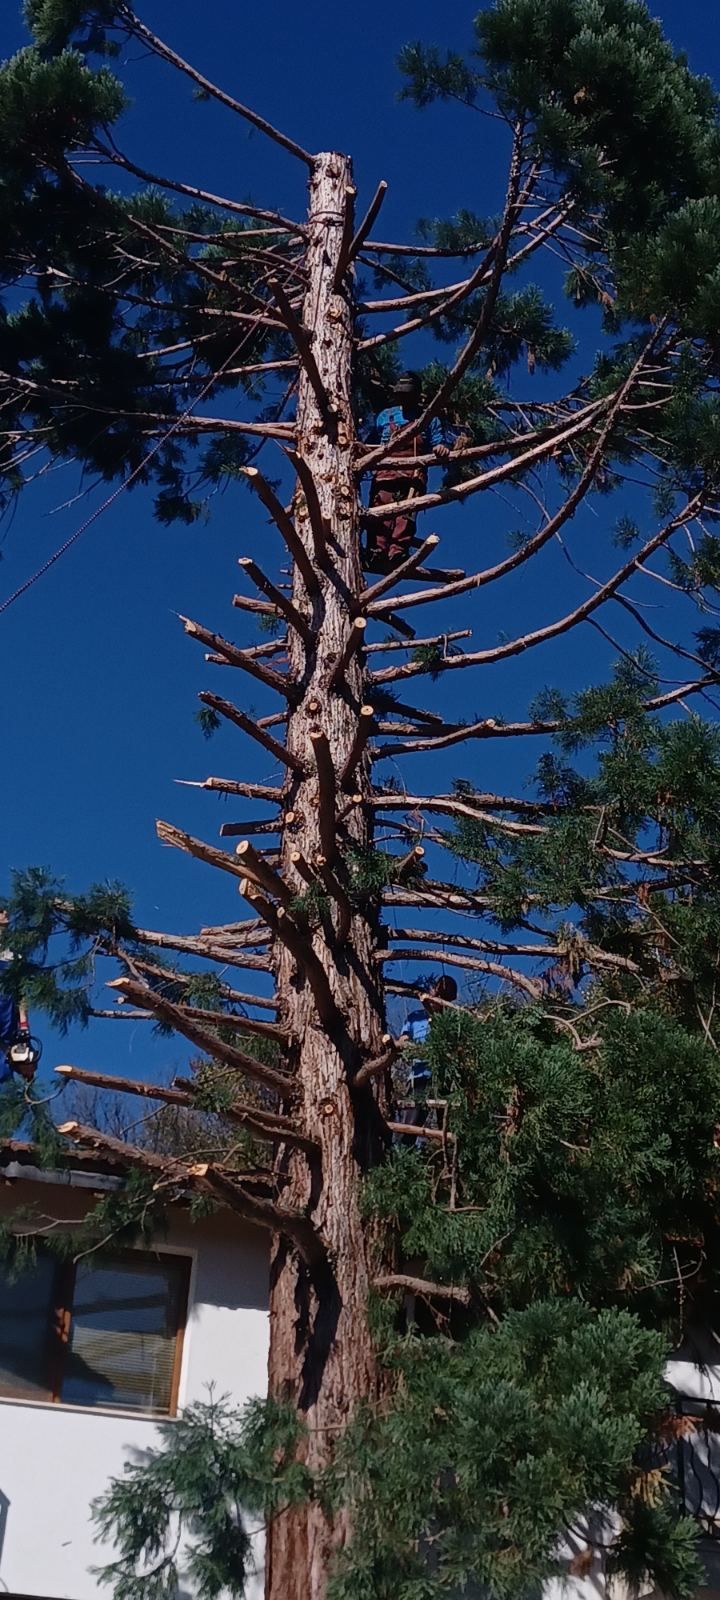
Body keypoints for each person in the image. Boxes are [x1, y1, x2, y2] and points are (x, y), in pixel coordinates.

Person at [363, 372, 465, 571]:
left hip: (413, 475)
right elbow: (371, 443)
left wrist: (441, 448)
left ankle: (397, 552)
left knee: (406, 515)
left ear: (417, 395)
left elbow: (438, 443)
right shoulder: (385, 416)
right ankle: (376, 550)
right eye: (402, 394)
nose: (404, 398)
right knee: (378, 510)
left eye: (408, 394)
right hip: (385, 471)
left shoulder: (429, 419)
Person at [395, 974, 458, 1143]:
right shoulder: (415, 1017)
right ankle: (404, 1159)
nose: (437, 998)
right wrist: (398, 1045)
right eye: (437, 992)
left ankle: (451, 1162)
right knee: (409, 1126)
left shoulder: (452, 1020)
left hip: (443, 1078)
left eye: (443, 996)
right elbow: (404, 1040)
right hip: (419, 1078)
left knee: (449, 1128)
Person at [0, 912, 37, 1085]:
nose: (6, 914)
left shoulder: (14, 954)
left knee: (5, 1074)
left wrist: (23, 1024)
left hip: (8, 1021)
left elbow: (22, 992)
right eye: (1, 911)